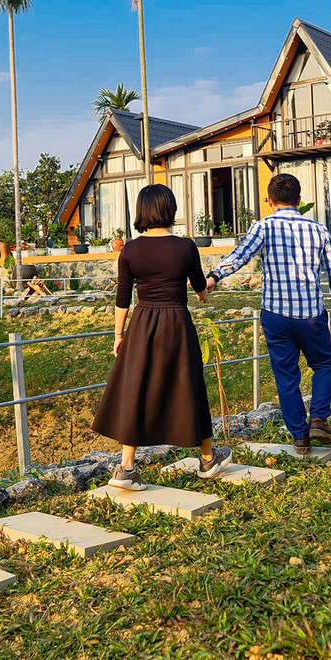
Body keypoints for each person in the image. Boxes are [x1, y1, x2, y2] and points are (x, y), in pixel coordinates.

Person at [92, 183, 233, 490]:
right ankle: (208, 459)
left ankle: (126, 468)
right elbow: (201, 294)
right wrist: (210, 284)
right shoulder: (185, 248)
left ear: (142, 212)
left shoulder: (129, 250)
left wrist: (119, 335)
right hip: (177, 324)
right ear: (170, 210)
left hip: (141, 324)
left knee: (136, 388)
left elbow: (122, 298)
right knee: (189, 385)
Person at [205, 173, 331, 456]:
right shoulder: (318, 229)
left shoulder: (264, 227)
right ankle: (318, 418)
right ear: (299, 200)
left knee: (286, 376)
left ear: (269, 201)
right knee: (322, 364)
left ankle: (300, 437)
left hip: (276, 314)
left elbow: (240, 255)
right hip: (311, 313)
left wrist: (213, 277)